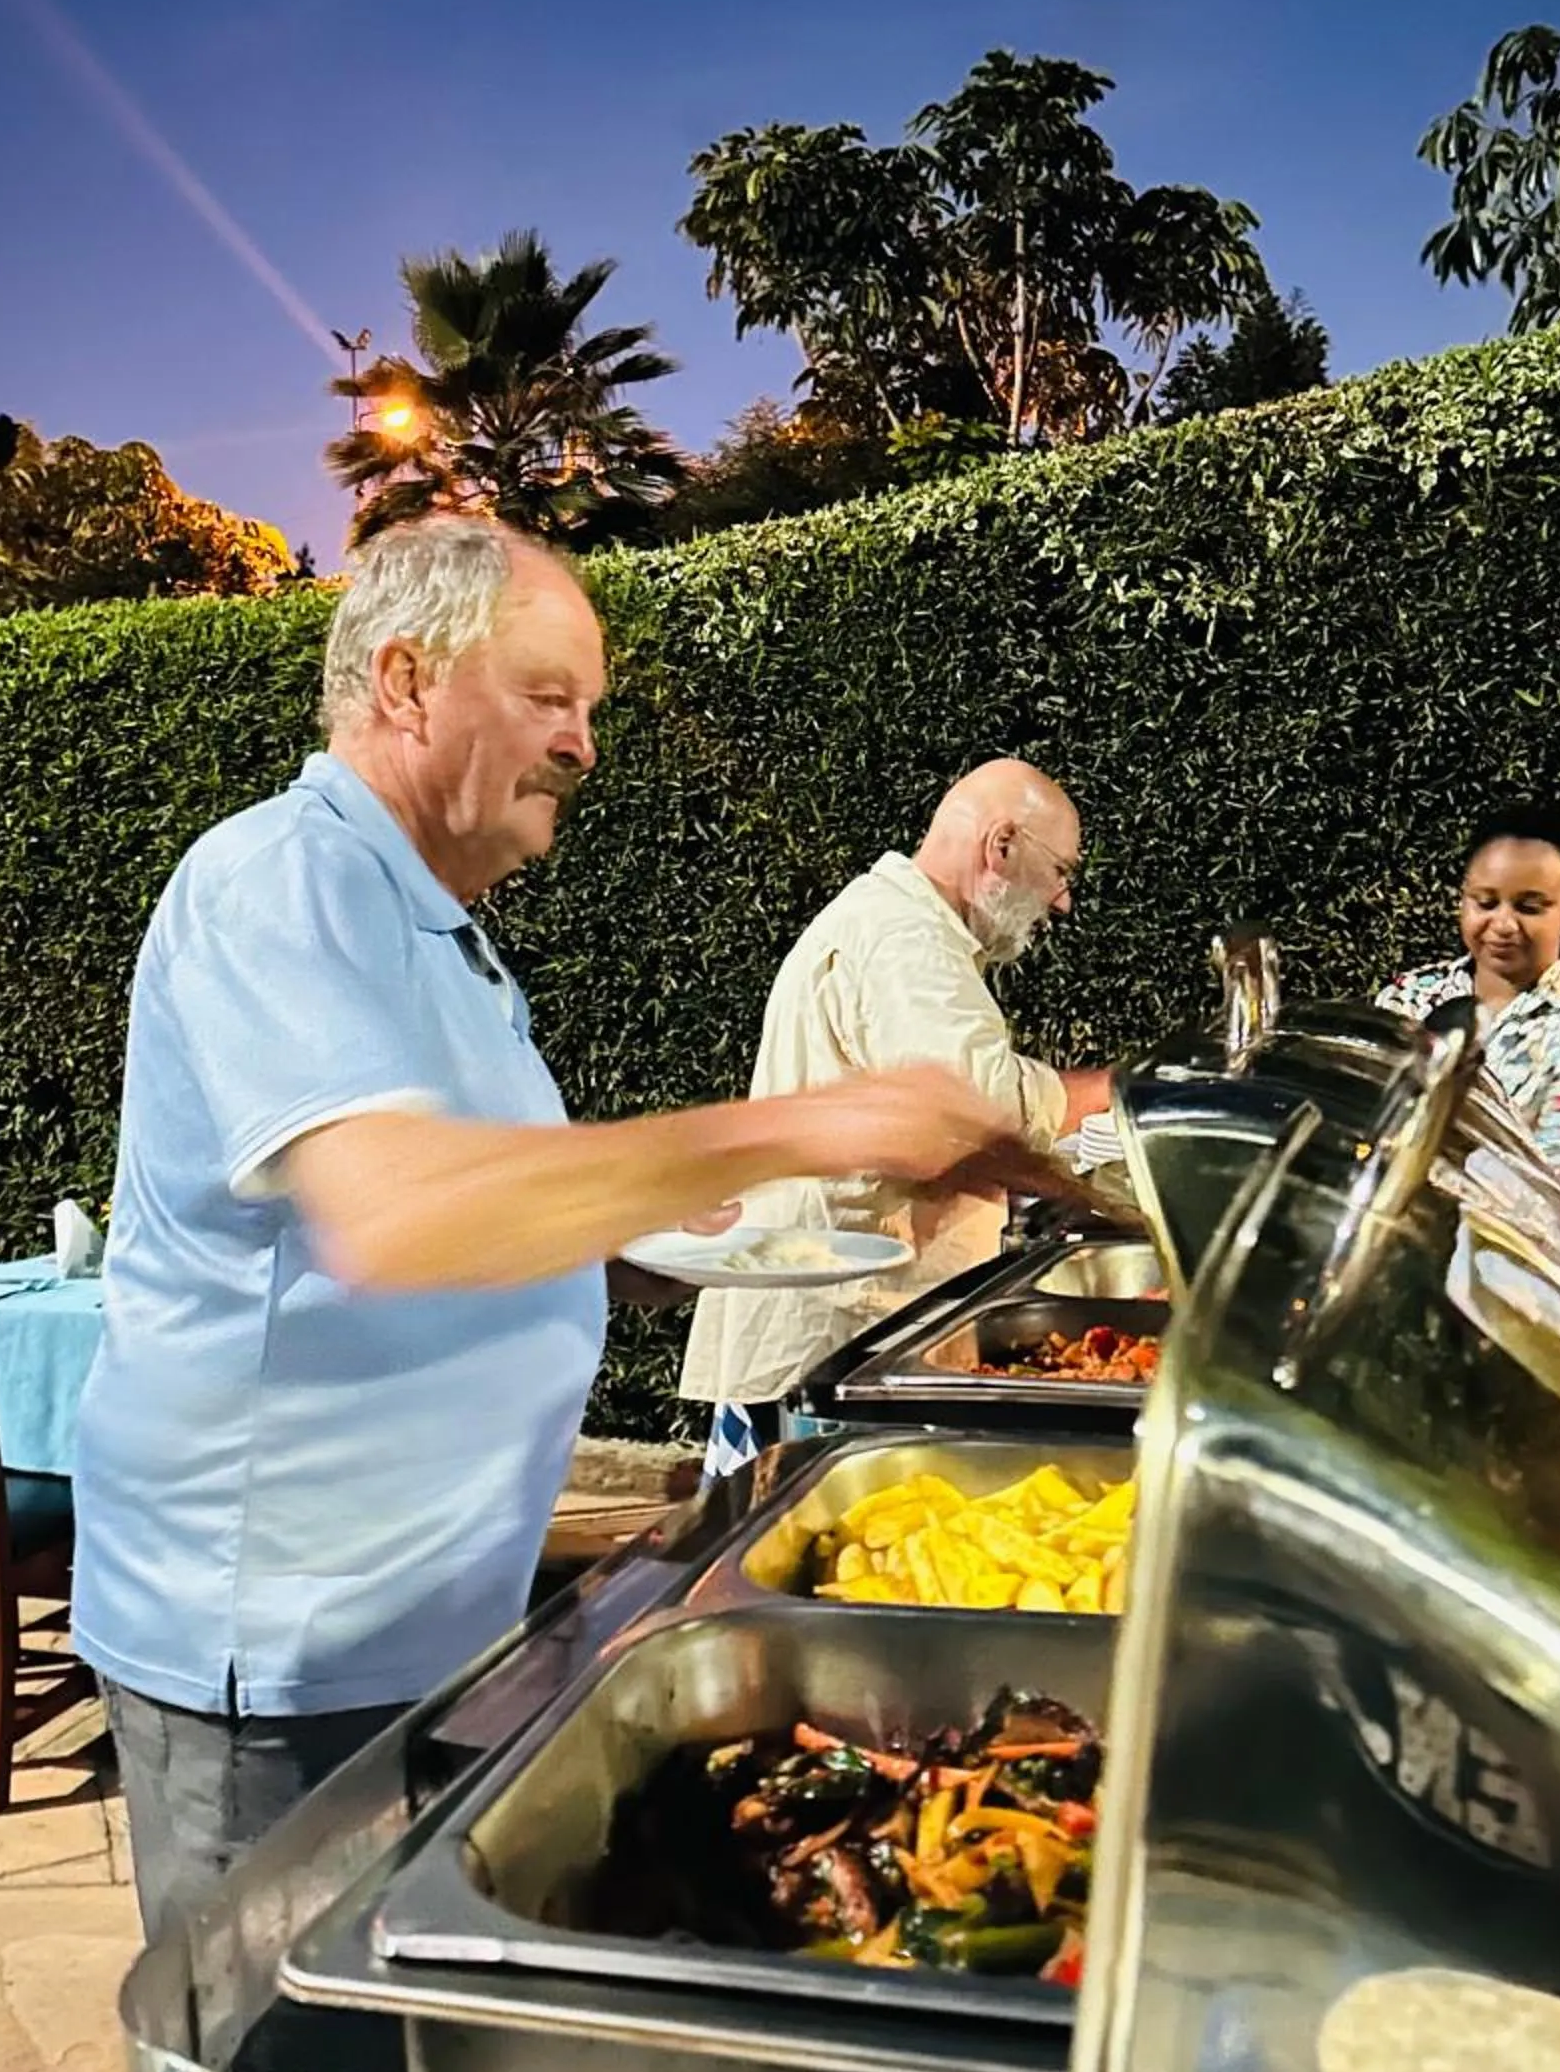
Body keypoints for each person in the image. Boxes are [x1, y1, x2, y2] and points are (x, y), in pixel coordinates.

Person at [70, 515, 1041, 1938]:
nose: (584, 744)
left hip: (429, 1628)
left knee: (394, 2046)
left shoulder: (449, 941)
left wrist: (643, 1242)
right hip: (282, 1651)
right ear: (405, 683)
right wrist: (806, 1124)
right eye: (548, 697)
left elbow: (484, 1216)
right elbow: (396, 1215)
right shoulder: (278, 878)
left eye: (588, 707)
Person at [681, 761, 1114, 1473]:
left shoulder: (904, 926)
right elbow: (978, 1114)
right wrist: (1103, 1136)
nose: (1061, 901)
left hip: (829, 1332)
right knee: (803, 1553)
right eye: (1059, 870)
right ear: (1000, 845)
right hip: (833, 1341)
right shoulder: (904, 941)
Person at [1377, 804, 1560, 1270]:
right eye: (1485, 902)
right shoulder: (1409, 1000)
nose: (1503, 925)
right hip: (1403, 1256)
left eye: (1530, 907)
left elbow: (1559, 1185)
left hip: (1544, 1277)